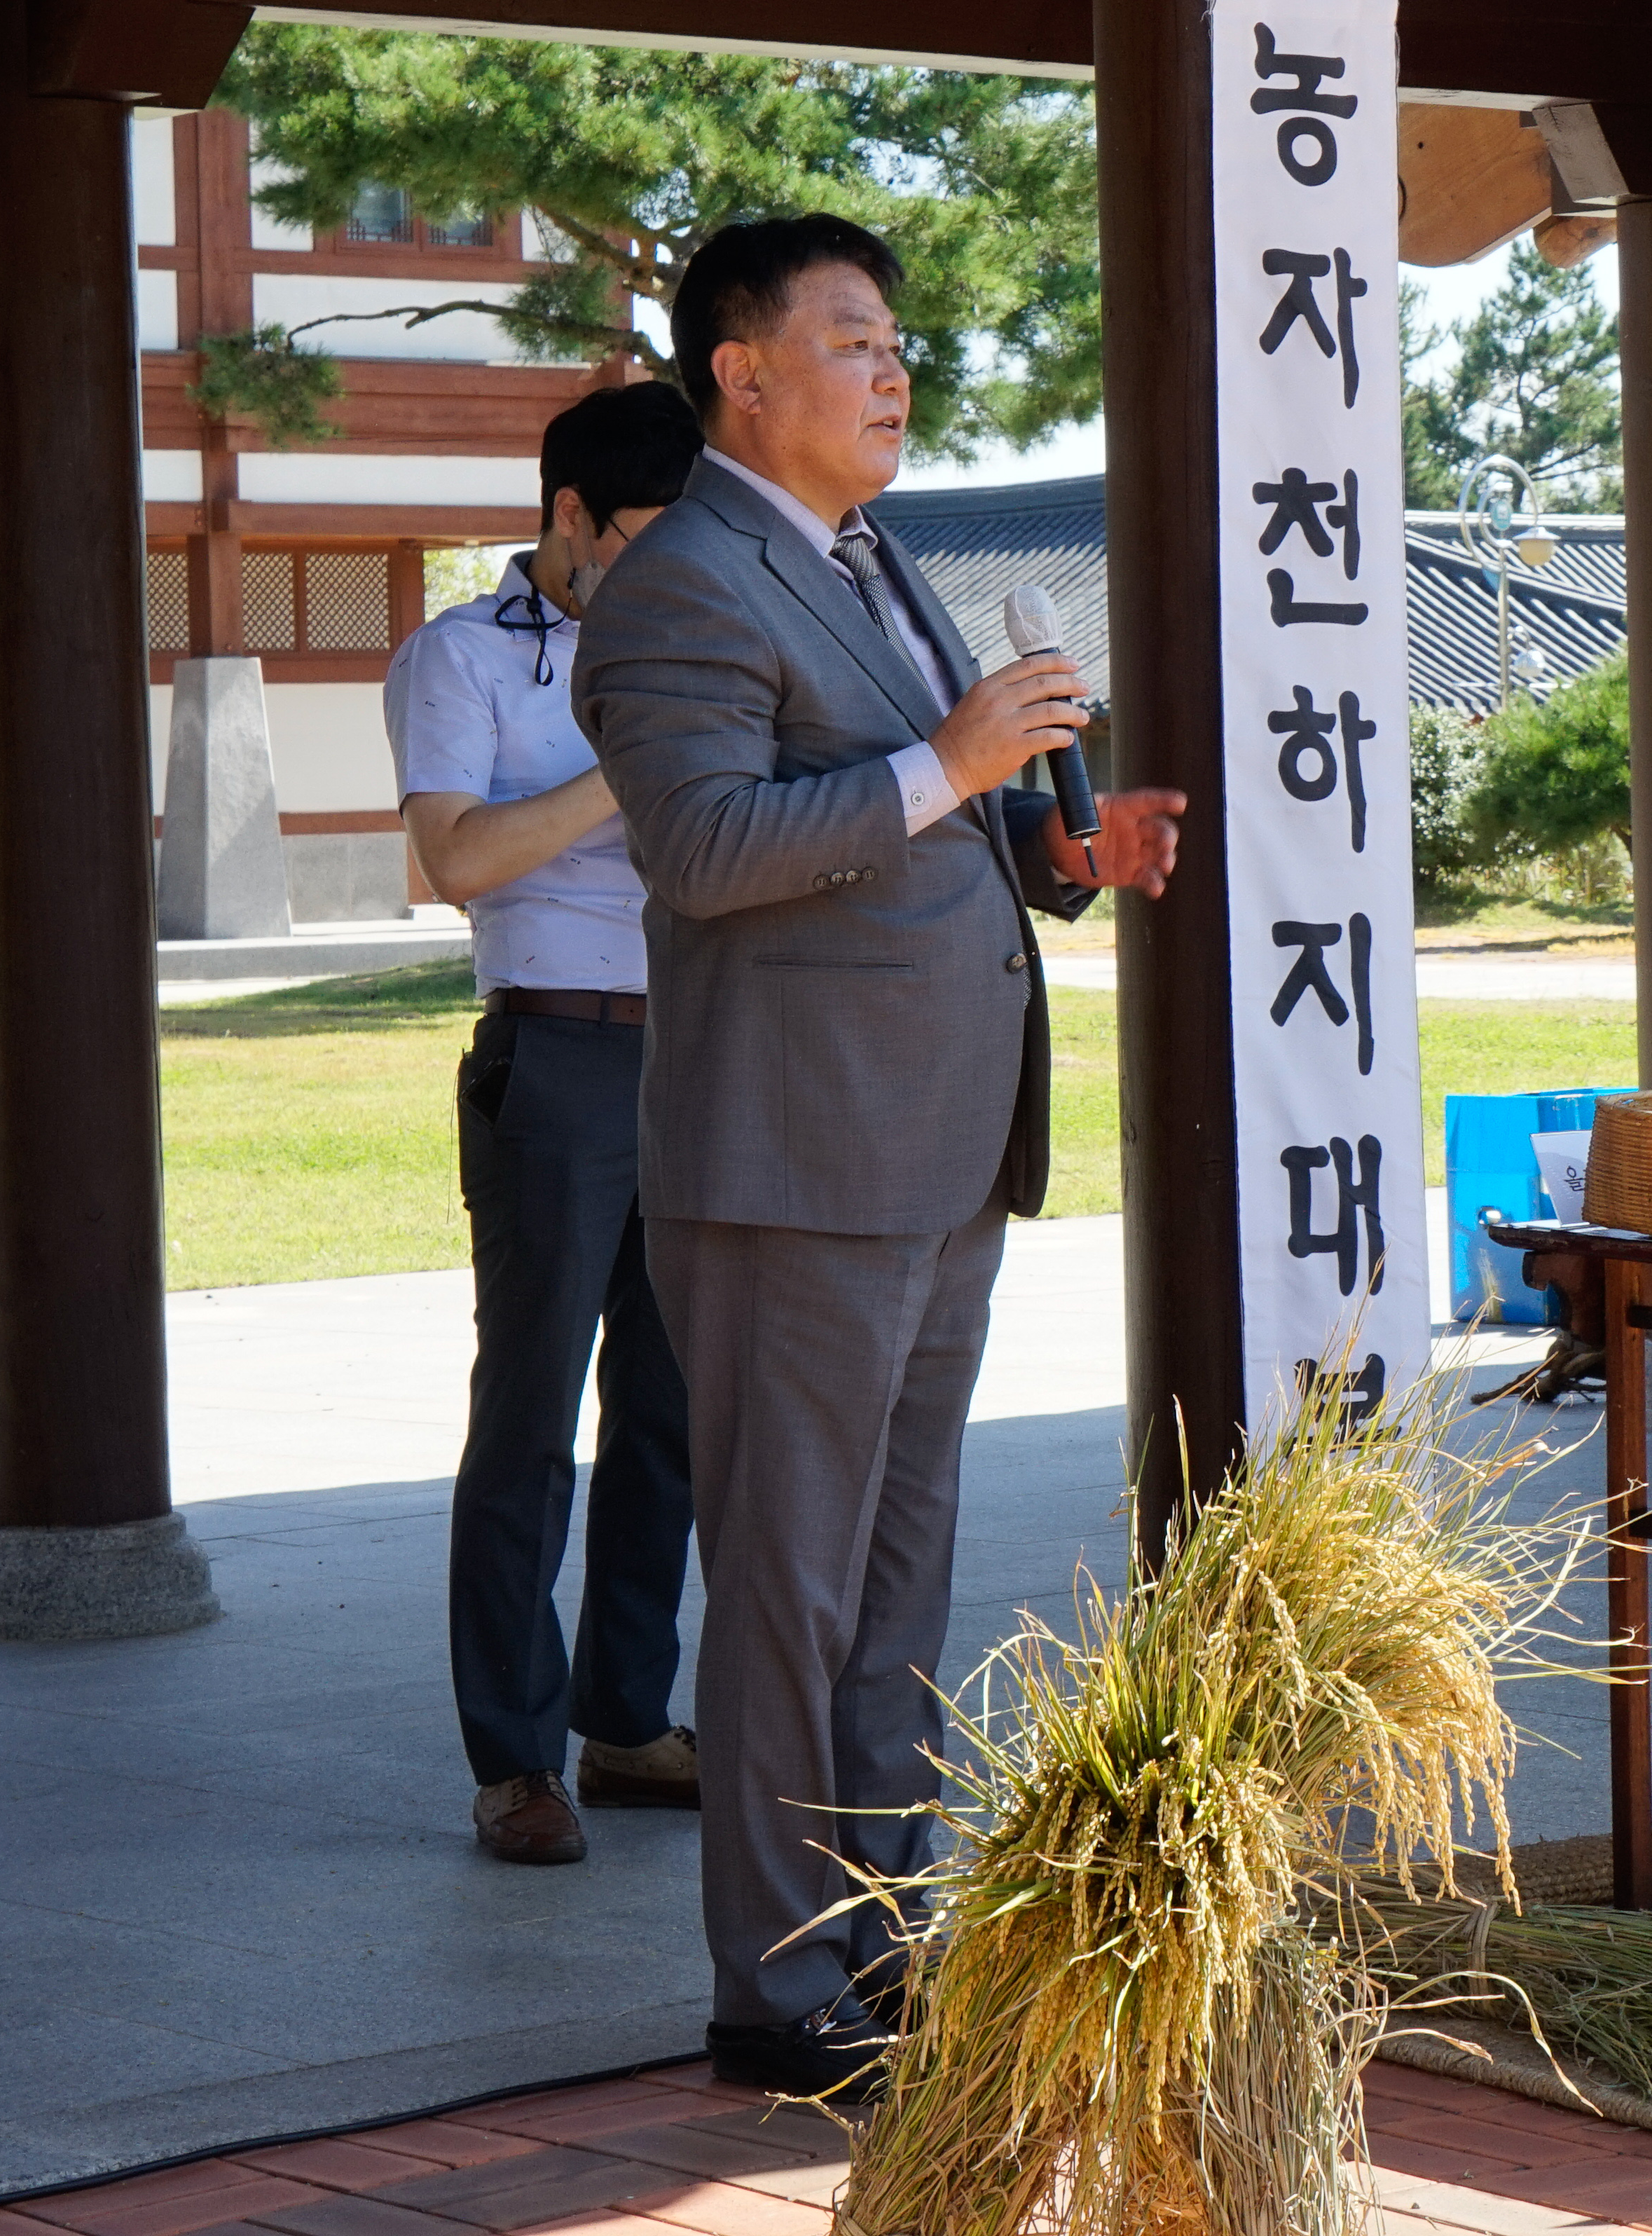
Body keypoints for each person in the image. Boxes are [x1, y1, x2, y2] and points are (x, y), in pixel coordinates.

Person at [572, 214, 1187, 2097]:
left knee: (900, 1576)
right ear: (740, 376)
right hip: (793, 1161)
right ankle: (773, 1988)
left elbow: (929, 816)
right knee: (791, 1573)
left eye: (899, 338)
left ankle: (885, 1936)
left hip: (938, 1147)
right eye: (850, 338)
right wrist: (955, 764)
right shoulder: (683, 582)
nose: (893, 368)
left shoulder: (876, 558)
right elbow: (706, 850)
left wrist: (1062, 849)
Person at [387, 379, 710, 1867]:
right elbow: (458, 855)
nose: (664, 568)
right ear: (566, 516)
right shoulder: (460, 654)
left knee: (672, 1414)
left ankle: (628, 1717)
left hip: (709, 1052)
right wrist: (625, 768)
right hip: (557, 1056)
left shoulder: (707, 634)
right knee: (527, 1417)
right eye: (641, 538)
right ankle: (512, 1757)